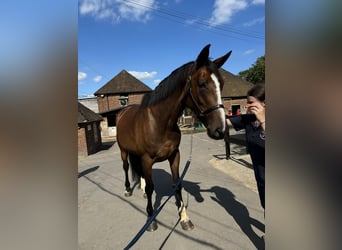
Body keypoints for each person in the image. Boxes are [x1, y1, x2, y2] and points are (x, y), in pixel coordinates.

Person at [226, 84, 265, 210]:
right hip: (262, 179)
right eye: (247, 103)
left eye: (251, 103)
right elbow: (222, 121)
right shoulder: (249, 120)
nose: (247, 106)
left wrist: (263, 121)